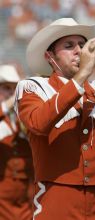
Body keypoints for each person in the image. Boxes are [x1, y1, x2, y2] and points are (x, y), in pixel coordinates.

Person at [14, 17, 95, 220]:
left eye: (83, 45)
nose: (79, 51)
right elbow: (38, 123)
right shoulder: (34, 87)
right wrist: (83, 74)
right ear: (50, 56)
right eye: (69, 46)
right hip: (56, 201)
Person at [0, 64, 34, 220]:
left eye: (14, 88)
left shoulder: (22, 117)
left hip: (25, 195)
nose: (11, 93)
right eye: (6, 88)